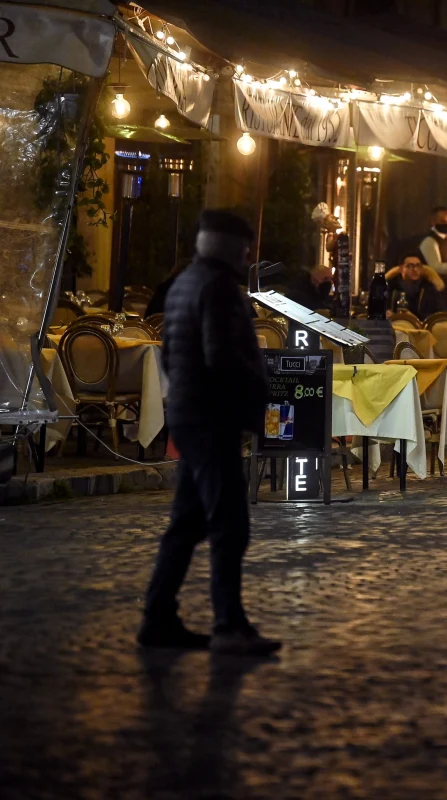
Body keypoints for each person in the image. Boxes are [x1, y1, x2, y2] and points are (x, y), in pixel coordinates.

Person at [139, 209, 280, 656]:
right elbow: (221, 355)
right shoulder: (218, 287)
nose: (247, 255)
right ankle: (228, 625)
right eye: (243, 247)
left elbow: (168, 355)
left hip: (190, 410)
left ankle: (158, 618)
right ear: (228, 246)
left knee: (187, 523)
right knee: (229, 523)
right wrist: (254, 391)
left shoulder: (182, 284)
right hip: (212, 416)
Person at [385, 252, 444, 320]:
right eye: (410, 266)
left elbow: (441, 314)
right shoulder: (390, 287)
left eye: (418, 266)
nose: (415, 269)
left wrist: (413, 318)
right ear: (401, 268)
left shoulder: (429, 288)